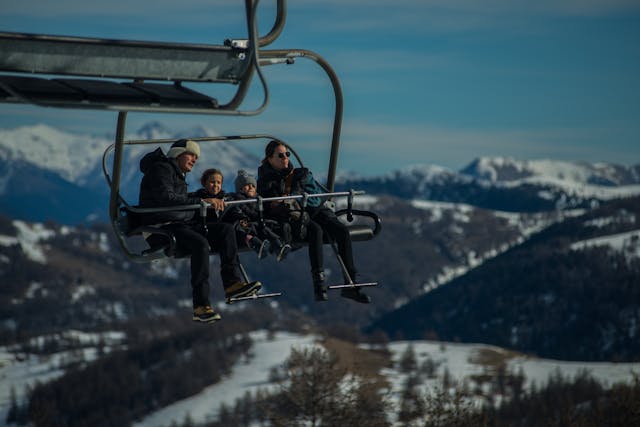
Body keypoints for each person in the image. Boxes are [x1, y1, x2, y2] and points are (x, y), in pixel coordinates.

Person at [138, 139, 262, 323]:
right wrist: (202, 202)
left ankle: (232, 283)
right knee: (200, 244)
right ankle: (201, 305)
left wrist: (206, 202)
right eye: (191, 154)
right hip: (161, 227)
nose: (195, 159)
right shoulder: (161, 169)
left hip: (179, 223)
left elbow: (177, 199)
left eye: (197, 157)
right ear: (178, 153)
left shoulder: (176, 172)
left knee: (225, 230)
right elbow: (165, 198)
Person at [257, 140, 371, 304]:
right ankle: (319, 283)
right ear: (270, 159)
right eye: (280, 155)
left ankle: (351, 282)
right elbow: (268, 205)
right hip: (296, 216)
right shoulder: (265, 181)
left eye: (287, 154)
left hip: (314, 210)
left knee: (342, 232)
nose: (285, 158)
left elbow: (316, 195)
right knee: (315, 232)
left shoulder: (300, 174)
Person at [191, 168, 269, 259]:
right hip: (211, 230)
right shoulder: (198, 197)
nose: (216, 185)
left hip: (230, 229)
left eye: (219, 182)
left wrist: (241, 217)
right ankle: (250, 239)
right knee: (230, 228)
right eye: (212, 182)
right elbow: (188, 202)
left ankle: (255, 240)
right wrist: (205, 202)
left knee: (238, 220)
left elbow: (234, 211)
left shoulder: (225, 198)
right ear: (204, 183)